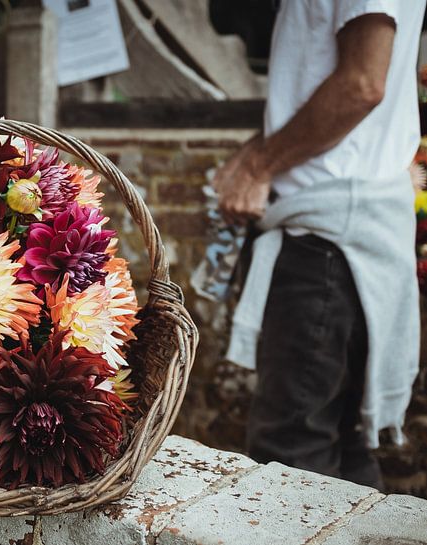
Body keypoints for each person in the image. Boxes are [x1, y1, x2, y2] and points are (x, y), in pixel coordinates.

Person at [213, 1, 426, 489]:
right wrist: (256, 151)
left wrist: (259, 167)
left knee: (290, 457)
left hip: (327, 245)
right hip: (340, 234)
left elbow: (361, 85)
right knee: (342, 448)